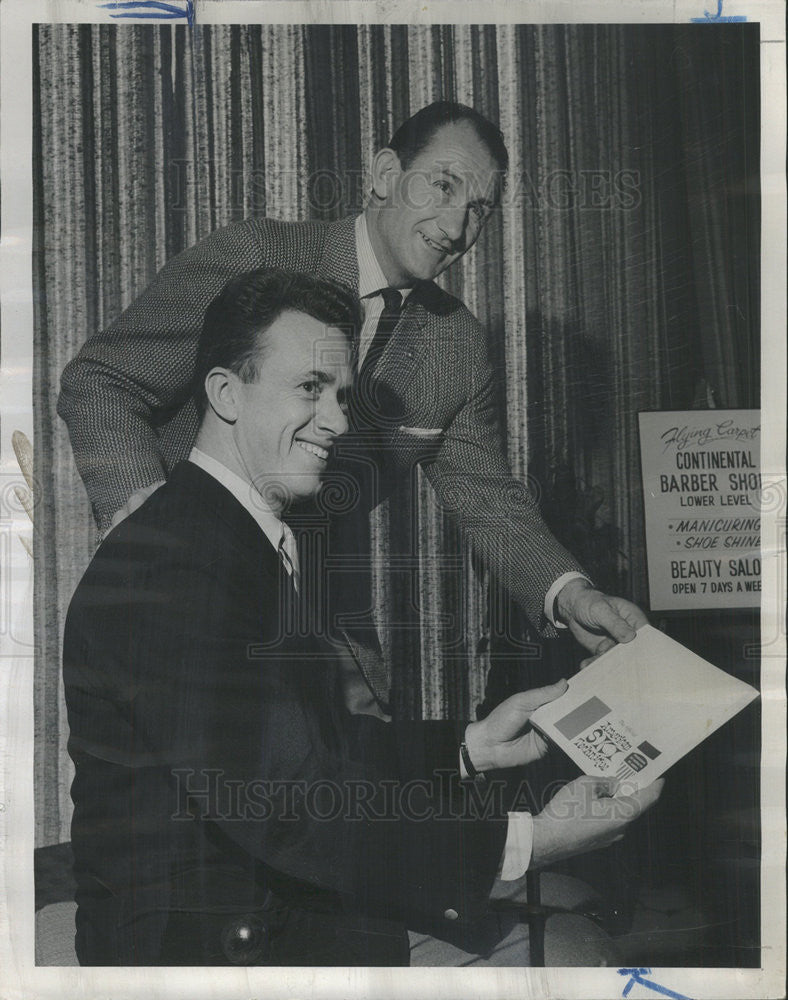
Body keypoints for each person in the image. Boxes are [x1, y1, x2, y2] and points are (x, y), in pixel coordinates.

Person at [62, 269, 662, 966]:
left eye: (340, 395)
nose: (339, 421)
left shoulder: (228, 535)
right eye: (309, 389)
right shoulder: (179, 565)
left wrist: (469, 748)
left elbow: (307, 751)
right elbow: (287, 803)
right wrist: (526, 841)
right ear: (226, 393)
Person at [58, 100, 647, 711]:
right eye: (443, 186)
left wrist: (571, 593)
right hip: (185, 604)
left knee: (363, 775)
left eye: (479, 209)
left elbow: (489, 499)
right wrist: (152, 530)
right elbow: (100, 382)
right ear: (385, 174)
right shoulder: (254, 255)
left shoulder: (457, 346)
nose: (455, 225)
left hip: (315, 627)